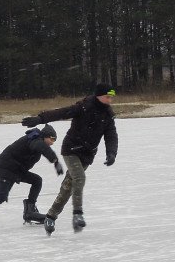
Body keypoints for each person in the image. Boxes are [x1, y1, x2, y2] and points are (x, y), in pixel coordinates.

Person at [21, 83, 118, 235]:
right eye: (107, 97)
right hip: (71, 150)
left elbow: (111, 135)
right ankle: (77, 214)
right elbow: (61, 113)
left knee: (68, 187)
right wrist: (40, 119)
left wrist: (111, 153)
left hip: (87, 154)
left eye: (111, 97)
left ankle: (50, 216)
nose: (110, 100)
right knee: (79, 177)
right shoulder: (84, 107)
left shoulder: (108, 114)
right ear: (99, 96)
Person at [0, 124, 64, 231]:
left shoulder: (37, 140)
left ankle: (30, 211)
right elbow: (40, 146)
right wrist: (55, 160)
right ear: (45, 136)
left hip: (16, 170)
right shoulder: (35, 139)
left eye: (54, 140)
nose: (52, 142)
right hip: (6, 167)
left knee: (37, 180)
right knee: (2, 195)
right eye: (52, 139)